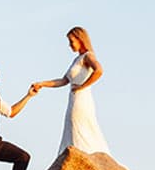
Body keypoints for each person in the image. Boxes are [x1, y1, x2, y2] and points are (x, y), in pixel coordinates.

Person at [34, 26, 109, 156]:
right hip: (73, 99)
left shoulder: (87, 56)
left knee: (81, 128)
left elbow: (99, 70)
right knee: (72, 128)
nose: (70, 45)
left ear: (80, 40)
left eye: (71, 41)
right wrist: (42, 84)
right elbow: (63, 80)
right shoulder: (76, 59)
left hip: (82, 99)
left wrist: (82, 86)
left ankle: (85, 157)